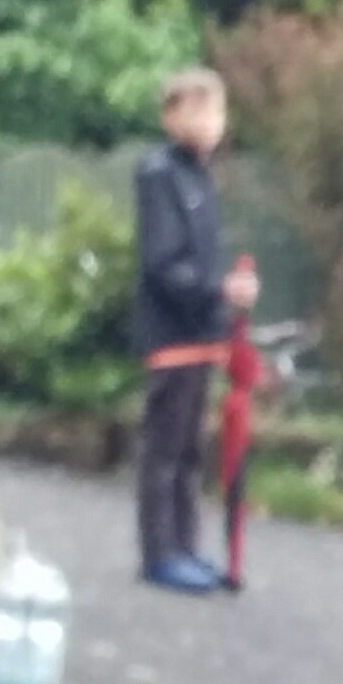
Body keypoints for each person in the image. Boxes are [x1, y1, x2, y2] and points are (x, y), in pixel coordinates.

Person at [132, 68, 258, 593]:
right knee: (163, 451)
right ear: (170, 116)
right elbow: (163, 263)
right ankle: (159, 553)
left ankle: (186, 547)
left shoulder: (200, 177)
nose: (208, 121)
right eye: (196, 109)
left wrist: (230, 296)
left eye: (216, 111)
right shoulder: (157, 173)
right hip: (171, 336)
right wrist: (216, 291)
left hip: (205, 335)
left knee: (190, 453)